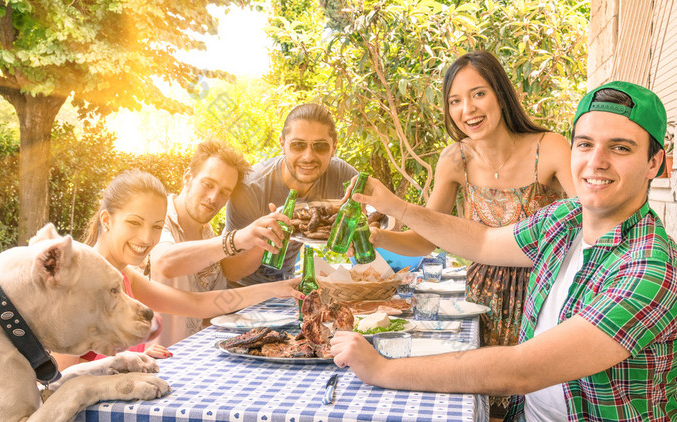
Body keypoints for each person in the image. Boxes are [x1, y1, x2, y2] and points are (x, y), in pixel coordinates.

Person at [331, 81, 676, 422]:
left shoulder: (651, 266)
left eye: (620, 148)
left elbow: (522, 370)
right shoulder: (566, 219)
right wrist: (396, 207)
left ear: (654, 163)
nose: (596, 162)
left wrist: (382, 369)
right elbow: (483, 241)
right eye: (585, 144)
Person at [369, 50, 575, 418]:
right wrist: (379, 238)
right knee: (483, 405)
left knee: (541, 403)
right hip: (481, 303)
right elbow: (428, 239)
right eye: (455, 100)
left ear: (500, 93)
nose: (468, 109)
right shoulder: (454, 160)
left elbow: (589, 219)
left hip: (543, 298)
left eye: (478, 93)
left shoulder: (551, 148)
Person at [54, 169, 301, 369]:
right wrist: (124, 362)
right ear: (106, 220)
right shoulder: (77, 282)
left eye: (156, 226)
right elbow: (56, 380)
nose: (145, 237)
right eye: (134, 222)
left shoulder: (124, 276)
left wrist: (278, 288)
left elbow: (197, 305)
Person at [148, 140, 296, 346]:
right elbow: (165, 263)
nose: (213, 197)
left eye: (224, 192)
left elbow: (214, 304)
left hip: (197, 358)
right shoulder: (155, 218)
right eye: (208, 184)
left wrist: (279, 286)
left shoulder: (207, 233)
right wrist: (237, 238)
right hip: (157, 363)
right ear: (188, 177)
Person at [224, 103, 358, 286]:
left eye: (320, 146)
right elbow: (231, 271)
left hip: (285, 284)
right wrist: (263, 239)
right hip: (240, 290)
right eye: (298, 145)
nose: (308, 156)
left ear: (333, 147)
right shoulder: (250, 188)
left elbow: (387, 220)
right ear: (282, 144)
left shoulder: (341, 175)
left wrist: (360, 229)